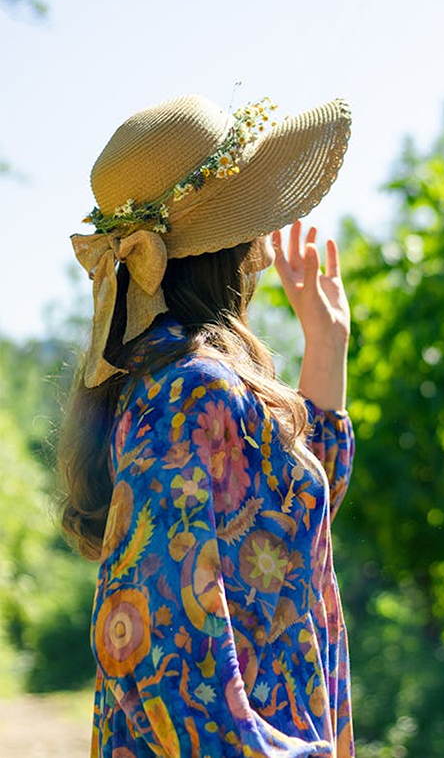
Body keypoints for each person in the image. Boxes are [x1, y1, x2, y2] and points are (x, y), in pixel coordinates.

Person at [58, 92, 355, 757]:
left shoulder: (181, 382)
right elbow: (157, 648)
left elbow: (289, 529)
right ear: (226, 240)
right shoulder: (192, 390)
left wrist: (326, 348)